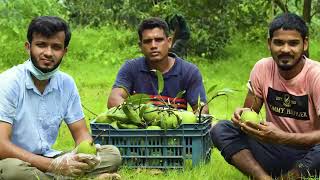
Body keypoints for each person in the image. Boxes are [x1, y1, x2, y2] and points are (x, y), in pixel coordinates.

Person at [0, 16, 121, 180]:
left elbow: (81, 135)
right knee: (11, 171)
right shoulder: (9, 82)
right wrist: (53, 166)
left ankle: (57, 175)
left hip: (49, 157)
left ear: (64, 51)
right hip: (15, 160)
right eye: (41, 45)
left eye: (56, 47)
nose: (48, 53)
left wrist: (84, 157)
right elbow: (1, 145)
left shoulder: (66, 83)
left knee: (111, 154)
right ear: (28, 47)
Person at [210, 12, 320, 180]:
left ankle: (290, 178)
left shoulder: (316, 75)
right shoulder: (262, 68)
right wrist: (241, 116)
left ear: (304, 44)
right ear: (269, 44)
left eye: (293, 43)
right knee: (220, 129)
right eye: (278, 43)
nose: (285, 49)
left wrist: (283, 137)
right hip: (273, 149)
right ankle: (263, 178)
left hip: (310, 155)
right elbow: (249, 114)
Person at [108, 17, 208, 114]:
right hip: (140, 129)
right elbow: (113, 100)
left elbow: (202, 110)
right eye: (147, 41)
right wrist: (147, 116)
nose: (153, 46)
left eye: (159, 40)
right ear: (140, 46)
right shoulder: (131, 68)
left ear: (169, 42)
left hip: (176, 129)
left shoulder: (188, 71)